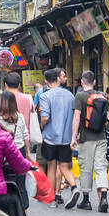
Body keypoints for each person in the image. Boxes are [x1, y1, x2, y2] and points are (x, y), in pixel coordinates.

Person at [70, 71, 109, 213]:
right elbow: (107, 118)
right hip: (102, 137)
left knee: (86, 168)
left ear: (82, 82)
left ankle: (86, 200)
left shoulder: (80, 96)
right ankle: (104, 197)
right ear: (94, 82)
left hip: (86, 138)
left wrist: (73, 137)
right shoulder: (102, 96)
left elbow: (76, 117)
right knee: (100, 167)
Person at [38, 67, 78, 205]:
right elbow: (74, 116)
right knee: (64, 166)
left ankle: (52, 196)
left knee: (52, 165)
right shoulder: (70, 95)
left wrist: (41, 127)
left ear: (46, 81)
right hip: (66, 137)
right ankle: (73, 187)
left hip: (50, 137)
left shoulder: (45, 96)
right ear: (57, 79)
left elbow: (45, 118)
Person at [0, 91, 32, 216]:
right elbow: (25, 135)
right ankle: (25, 214)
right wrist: (27, 152)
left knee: (4, 182)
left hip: (3, 153)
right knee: (20, 184)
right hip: (19, 151)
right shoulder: (19, 116)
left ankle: (6, 213)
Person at [4, 72, 36, 163]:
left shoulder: (2, 99)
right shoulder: (28, 98)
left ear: (5, 85)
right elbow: (32, 111)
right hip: (24, 138)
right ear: (19, 85)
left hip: (6, 140)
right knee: (23, 167)